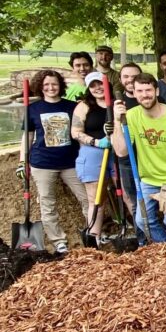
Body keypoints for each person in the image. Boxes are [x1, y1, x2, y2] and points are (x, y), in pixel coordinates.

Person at [112, 73, 166, 244]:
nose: (145, 95)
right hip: (149, 179)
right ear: (134, 93)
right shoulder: (131, 116)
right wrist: (117, 120)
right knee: (143, 221)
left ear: (156, 91)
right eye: (140, 91)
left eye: (148, 90)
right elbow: (121, 151)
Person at [17, 70, 88, 254]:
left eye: (54, 84)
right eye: (46, 84)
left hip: (71, 162)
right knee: (47, 203)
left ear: (60, 85)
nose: (51, 88)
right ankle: (58, 241)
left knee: (87, 198)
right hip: (42, 163)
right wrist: (22, 162)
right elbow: (27, 137)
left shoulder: (72, 107)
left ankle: (92, 231)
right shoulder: (33, 109)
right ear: (40, 87)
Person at [71, 72, 115, 246]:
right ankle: (94, 237)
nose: (97, 88)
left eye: (100, 84)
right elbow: (75, 132)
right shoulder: (84, 106)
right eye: (93, 85)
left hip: (117, 153)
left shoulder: (116, 104)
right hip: (92, 153)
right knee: (96, 199)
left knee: (126, 195)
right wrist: (96, 142)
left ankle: (132, 230)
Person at [115, 62, 143, 218]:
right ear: (120, 79)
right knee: (135, 203)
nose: (130, 80)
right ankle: (141, 232)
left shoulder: (151, 98)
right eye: (126, 76)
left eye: (134, 76)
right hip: (128, 162)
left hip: (151, 160)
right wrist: (116, 118)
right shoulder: (118, 104)